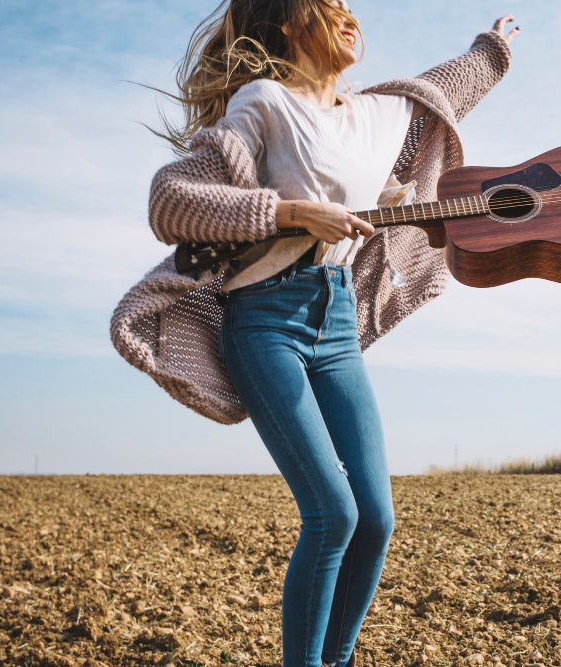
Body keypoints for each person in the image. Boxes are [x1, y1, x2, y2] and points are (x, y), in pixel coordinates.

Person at [110, 1, 518, 665]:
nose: (351, 16)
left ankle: (337, 658)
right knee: (333, 513)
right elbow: (171, 199)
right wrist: (292, 211)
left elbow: (441, 89)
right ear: (294, 24)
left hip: (333, 320)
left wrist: (492, 50)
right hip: (263, 319)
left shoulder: (376, 117)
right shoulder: (263, 102)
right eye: (331, 7)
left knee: (376, 520)